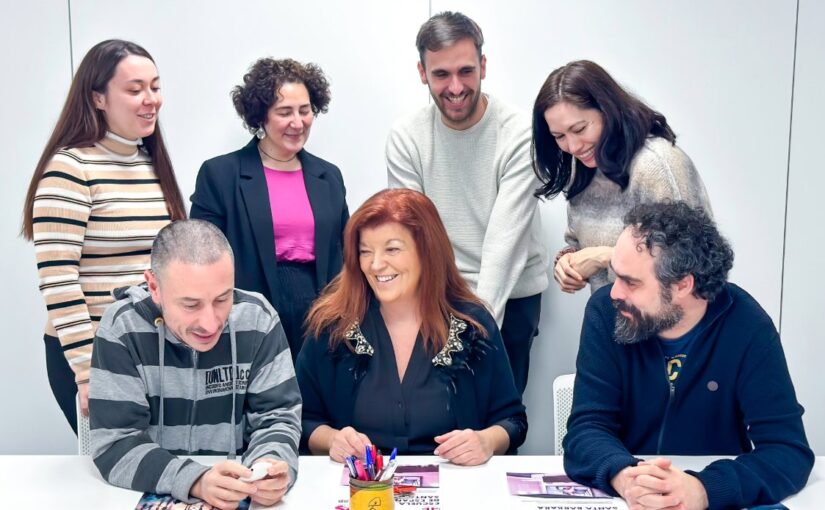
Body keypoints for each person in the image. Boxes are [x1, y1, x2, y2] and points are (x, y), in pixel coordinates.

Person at [563, 202, 813, 510]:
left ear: (683, 284)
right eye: (616, 276)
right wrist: (626, 477)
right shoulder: (606, 312)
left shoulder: (747, 326)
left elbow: (788, 451)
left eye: (631, 282)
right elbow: (586, 429)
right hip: (628, 498)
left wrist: (703, 489)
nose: (615, 293)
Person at [20, 39, 187, 433]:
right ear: (97, 98)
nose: (151, 100)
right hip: (95, 355)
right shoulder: (70, 167)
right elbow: (58, 281)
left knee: (155, 475)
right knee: (114, 475)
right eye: (134, 90)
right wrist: (86, 372)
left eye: (155, 86)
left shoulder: (149, 163)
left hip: (148, 350)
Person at [296, 189, 527, 466]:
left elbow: (512, 420)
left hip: (455, 488)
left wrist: (486, 441)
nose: (376, 264)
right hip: (360, 491)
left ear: (427, 250)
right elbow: (301, 419)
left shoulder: (473, 325)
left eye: (392, 249)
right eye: (365, 252)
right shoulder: (331, 327)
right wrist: (332, 440)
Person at [386, 11, 548, 396]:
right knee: (436, 418)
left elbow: (503, 246)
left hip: (509, 294)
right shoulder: (406, 137)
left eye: (466, 71)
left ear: (483, 66)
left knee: (499, 422)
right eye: (441, 74)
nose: (455, 87)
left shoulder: (519, 134)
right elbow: (413, 238)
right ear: (423, 73)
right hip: (436, 294)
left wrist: (475, 331)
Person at [89, 219, 301, 509]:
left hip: (236, 493)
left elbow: (278, 416)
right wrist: (196, 480)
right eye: (190, 305)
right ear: (154, 286)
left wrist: (271, 463)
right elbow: (115, 444)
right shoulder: (121, 329)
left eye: (222, 299)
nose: (210, 322)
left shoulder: (258, 319)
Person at [191, 57, 348, 362]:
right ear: (260, 117)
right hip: (249, 312)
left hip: (322, 313)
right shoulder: (221, 174)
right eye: (284, 112)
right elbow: (200, 255)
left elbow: (346, 252)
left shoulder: (329, 176)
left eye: (305, 111)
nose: (297, 122)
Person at [532, 60, 711, 294]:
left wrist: (606, 257)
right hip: (612, 321)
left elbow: (696, 259)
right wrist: (567, 262)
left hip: (668, 327)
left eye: (579, 129)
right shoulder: (584, 167)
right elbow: (579, 243)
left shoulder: (657, 164)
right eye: (559, 136)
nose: (573, 146)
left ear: (608, 111)